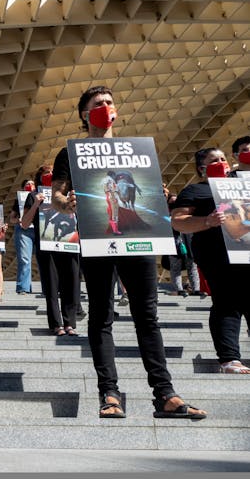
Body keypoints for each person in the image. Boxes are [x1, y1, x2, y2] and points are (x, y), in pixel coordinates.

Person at [51, 85, 206, 419]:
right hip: (98, 237)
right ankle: (109, 392)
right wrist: (68, 203)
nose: (105, 108)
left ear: (117, 111)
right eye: (97, 104)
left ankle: (165, 393)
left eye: (109, 102)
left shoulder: (134, 150)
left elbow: (145, 191)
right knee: (101, 314)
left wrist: (160, 195)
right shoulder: (71, 152)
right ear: (84, 114)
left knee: (147, 316)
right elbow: (56, 198)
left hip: (138, 239)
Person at [171, 148, 250, 374]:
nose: (221, 163)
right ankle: (229, 358)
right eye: (214, 160)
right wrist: (207, 221)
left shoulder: (242, 184)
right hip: (217, 254)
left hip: (246, 249)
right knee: (227, 301)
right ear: (201, 168)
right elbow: (178, 221)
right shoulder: (195, 190)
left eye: (224, 159)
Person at [21, 165, 80, 336]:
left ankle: (70, 323)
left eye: (53, 173)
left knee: (71, 283)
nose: (51, 175)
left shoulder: (69, 192)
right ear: (40, 177)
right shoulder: (33, 196)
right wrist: (36, 204)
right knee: (52, 286)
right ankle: (56, 324)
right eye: (47, 173)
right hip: (47, 247)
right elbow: (24, 223)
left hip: (69, 244)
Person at [166, 194, 200, 297]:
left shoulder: (187, 212)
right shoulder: (166, 214)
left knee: (192, 265)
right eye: (172, 202)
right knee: (175, 266)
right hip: (173, 242)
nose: (175, 204)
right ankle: (179, 289)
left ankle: (196, 289)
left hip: (188, 241)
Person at [11, 179, 36, 294]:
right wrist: (18, 220)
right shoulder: (19, 200)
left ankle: (49, 287)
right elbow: (12, 219)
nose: (30, 186)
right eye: (27, 184)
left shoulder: (40, 197)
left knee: (44, 260)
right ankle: (23, 288)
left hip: (38, 230)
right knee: (25, 259)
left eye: (32, 184)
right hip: (23, 231)